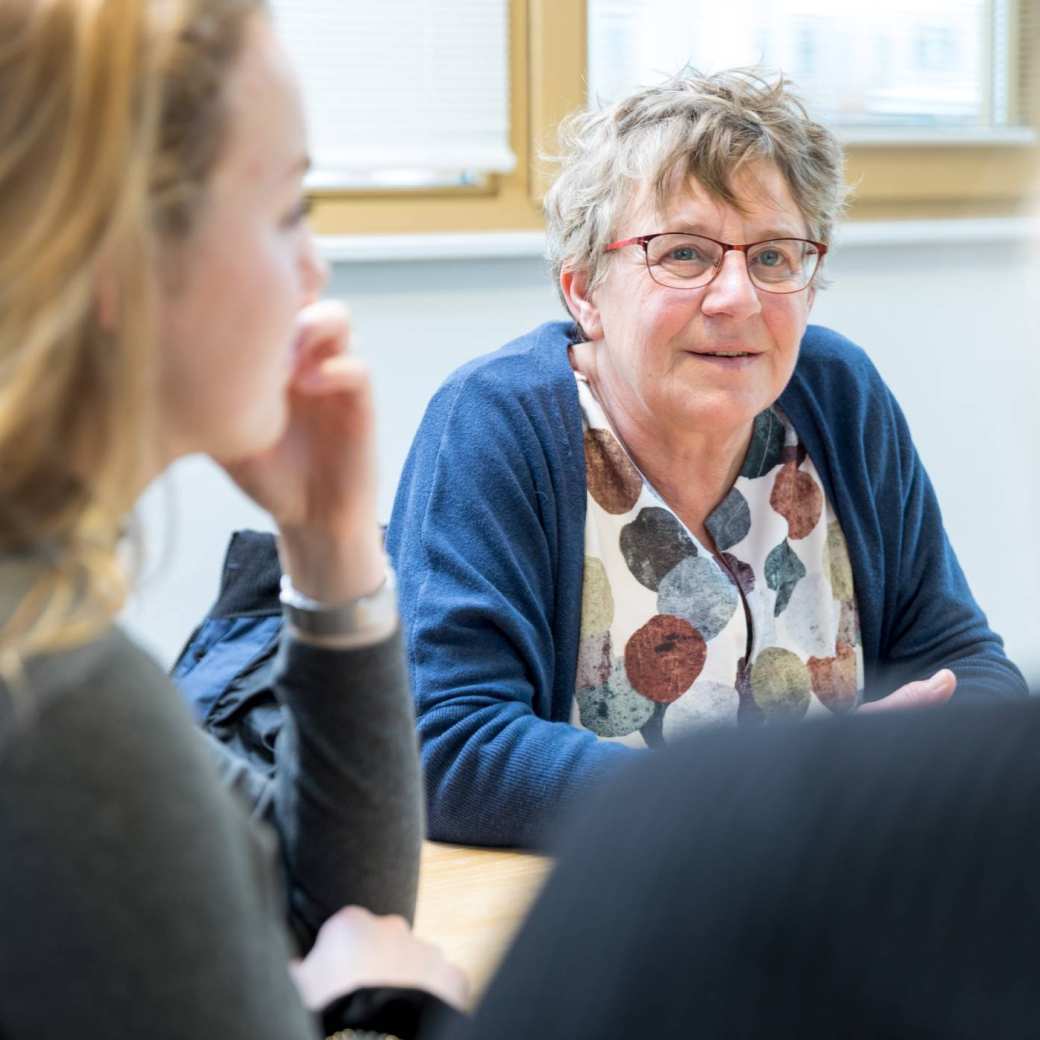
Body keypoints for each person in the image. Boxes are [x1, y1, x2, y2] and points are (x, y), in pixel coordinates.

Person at [383, 69, 1027, 847]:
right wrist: (765, 799)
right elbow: (447, 750)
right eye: (683, 254)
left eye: (774, 257)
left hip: (816, 903)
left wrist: (892, 772)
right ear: (584, 290)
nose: (738, 298)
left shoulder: (838, 396)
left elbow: (966, 670)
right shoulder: (495, 424)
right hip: (588, 920)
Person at [0, 1, 464, 1037]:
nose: (315, 270)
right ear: (119, 247)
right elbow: (350, 949)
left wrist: (331, 547)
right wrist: (401, 1013)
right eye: (289, 208)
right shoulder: (55, 695)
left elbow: (315, 911)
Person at [445, 698, 1040, 1039]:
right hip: (582, 929)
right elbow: (458, 743)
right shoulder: (506, 476)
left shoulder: (867, 474)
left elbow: (969, 668)